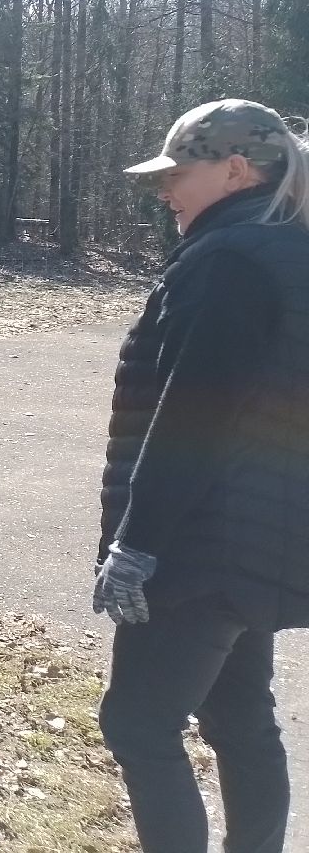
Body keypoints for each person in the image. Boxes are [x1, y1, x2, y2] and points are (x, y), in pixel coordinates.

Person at [94, 98, 309, 853]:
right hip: (259, 532)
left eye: (177, 175)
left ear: (237, 170)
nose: (165, 192)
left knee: (138, 724)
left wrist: (137, 545)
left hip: (202, 543)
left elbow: (193, 416)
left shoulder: (227, 263)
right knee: (239, 714)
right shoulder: (286, 249)